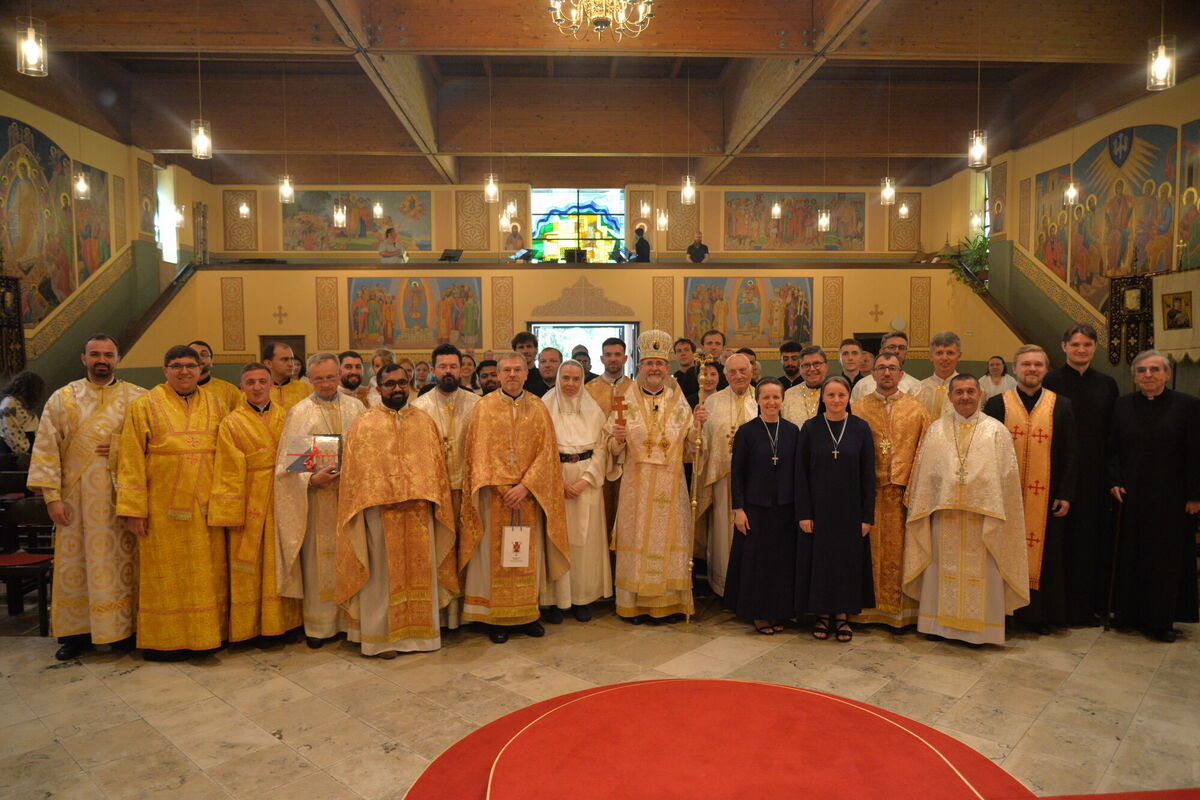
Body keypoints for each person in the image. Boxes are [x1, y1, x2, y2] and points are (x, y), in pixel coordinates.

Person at [28, 334, 145, 660]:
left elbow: (154, 444)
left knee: (122, 565)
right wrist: (52, 498)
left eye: (108, 354)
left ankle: (124, 631)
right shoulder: (62, 398)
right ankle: (75, 635)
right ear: (84, 358)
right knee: (76, 565)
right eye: (95, 354)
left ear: (117, 359)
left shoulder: (138, 398)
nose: (101, 360)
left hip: (122, 499)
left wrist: (120, 446)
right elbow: (46, 449)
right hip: (76, 501)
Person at [336, 363, 457, 657]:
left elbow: (436, 469)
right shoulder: (364, 424)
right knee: (381, 578)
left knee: (420, 571)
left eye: (402, 382)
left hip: (419, 511)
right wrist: (389, 495)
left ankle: (422, 637)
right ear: (379, 388)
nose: (397, 388)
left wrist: (417, 493)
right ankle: (381, 640)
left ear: (409, 384)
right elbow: (356, 474)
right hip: (380, 512)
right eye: (390, 384)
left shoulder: (424, 422)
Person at [116, 345, 227, 661]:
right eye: (176, 366)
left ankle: (208, 637)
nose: (184, 371)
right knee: (165, 577)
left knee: (207, 575)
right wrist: (133, 510)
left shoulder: (217, 404)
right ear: (165, 370)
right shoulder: (144, 405)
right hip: (161, 511)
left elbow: (230, 455)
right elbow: (130, 459)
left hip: (207, 508)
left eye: (190, 365)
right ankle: (164, 642)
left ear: (200, 369)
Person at [903, 374, 1029, 645]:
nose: (965, 397)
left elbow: (1006, 478)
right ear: (950, 397)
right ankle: (938, 627)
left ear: (980, 394)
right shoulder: (936, 430)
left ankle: (983, 632)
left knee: (983, 573)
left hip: (984, 519)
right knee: (941, 570)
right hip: (944, 516)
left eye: (970, 391)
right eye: (959, 392)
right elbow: (926, 477)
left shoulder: (996, 431)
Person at [459, 352, 569, 643]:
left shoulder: (538, 407)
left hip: (529, 496)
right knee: (494, 557)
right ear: (497, 374)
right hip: (493, 497)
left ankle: (527, 614)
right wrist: (502, 487)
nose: (511, 374)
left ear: (526, 373)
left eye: (517, 370)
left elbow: (547, 453)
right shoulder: (483, 408)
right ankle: (495, 617)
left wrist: (526, 486)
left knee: (524, 556)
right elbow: (477, 453)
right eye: (506, 370)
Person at [607, 329, 704, 623]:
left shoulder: (679, 402)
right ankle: (634, 606)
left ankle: (669, 604)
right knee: (636, 539)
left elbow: (691, 447)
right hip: (636, 486)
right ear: (639, 366)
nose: (654, 368)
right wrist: (618, 440)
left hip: (671, 485)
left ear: (667, 368)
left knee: (670, 539)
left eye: (659, 364)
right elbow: (610, 447)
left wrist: (698, 426)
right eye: (649, 363)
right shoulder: (624, 401)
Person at [274, 352, 367, 648]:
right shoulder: (300, 412)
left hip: (350, 498)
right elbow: (287, 467)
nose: (326, 384)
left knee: (353, 555)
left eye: (330, 377)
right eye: (319, 379)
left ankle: (352, 623)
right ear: (309, 379)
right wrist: (312, 479)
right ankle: (321, 626)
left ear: (338, 375)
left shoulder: (356, 406)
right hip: (318, 501)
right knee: (319, 563)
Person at [983, 345, 1078, 634]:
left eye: (1038, 364)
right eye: (1026, 364)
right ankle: (1002, 614)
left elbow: (1071, 453)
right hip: (1005, 498)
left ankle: (1038, 616)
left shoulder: (1061, 405)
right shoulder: (997, 404)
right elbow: (985, 453)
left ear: (1046, 369)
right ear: (1015, 369)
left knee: (1045, 555)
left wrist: (1065, 493)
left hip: (1046, 497)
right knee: (1002, 552)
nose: (1032, 369)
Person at [1107, 350, 1199, 642]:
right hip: (1131, 496)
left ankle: (1160, 621)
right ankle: (1127, 614)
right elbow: (1112, 449)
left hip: (1171, 499)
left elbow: (1196, 452)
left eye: (1155, 370)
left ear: (1167, 374)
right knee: (1131, 556)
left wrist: (1194, 495)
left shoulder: (1188, 406)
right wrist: (1114, 480)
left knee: (1164, 560)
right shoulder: (1122, 405)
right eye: (1142, 370)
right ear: (1134, 377)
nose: (1148, 375)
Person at [209, 362, 302, 644]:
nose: (257, 387)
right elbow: (227, 470)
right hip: (249, 501)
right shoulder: (231, 423)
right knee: (249, 565)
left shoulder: (288, 416)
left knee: (282, 560)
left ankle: (286, 624)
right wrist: (231, 512)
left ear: (272, 384)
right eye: (251, 382)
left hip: (283, 499)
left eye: (262, 381)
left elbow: (298, 459)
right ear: (242, 387)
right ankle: (249, 629)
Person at [1043, 323, 1119, 624]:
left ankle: (1089, 607)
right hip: (1059, 473)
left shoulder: (1107, 384)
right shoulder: (1050, 380)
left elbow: (1113, 435)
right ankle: (1058, 608)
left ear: (1094, 348)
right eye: (1075, 344)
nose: (1081, 350)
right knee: (1061, 541)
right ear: (1064, 347)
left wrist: (1112, 476)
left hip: (1095, 475)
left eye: (1087, 345)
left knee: (1091, 539)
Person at [851, 352, 931, 630]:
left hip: (901, 498)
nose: (887, 373)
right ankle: (864, 609)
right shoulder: (857, 408)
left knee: (900, 553)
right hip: (868, 497)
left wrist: (914, 493)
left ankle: (899, 614)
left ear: (900, 373)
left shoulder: (917, 410)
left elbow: (924, 454)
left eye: (892, 368)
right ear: (873, 373)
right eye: (882, 368)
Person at [795, 376, 875, 642]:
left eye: (841, 395)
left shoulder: (860, 427)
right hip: (818, 510)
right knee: (821, 563)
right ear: (823, 398)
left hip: (850, 511)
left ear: (848, 397)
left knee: (846, 564)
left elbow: (868, 475)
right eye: (831, 395)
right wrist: (804, 513)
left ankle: (842, 616)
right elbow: (800, 474)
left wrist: (867, 516)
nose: (836, 400)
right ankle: (821, 615)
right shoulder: (810, 427)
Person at [413, 343, 480, 629]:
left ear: (462, 369)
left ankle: (469, 611)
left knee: (469, 550)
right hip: (434, 495)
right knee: (439, 551)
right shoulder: (419, 407)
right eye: (443, 367)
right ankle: (442, 615)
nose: (448, 371)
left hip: (468, 492)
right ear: (433, 370)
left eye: (454, 366)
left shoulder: (476, 404)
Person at [727, 378, 799, 635]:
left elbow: (798, 472)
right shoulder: (747, 432)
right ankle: (758, 612)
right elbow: (737, 473)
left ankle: (779, 610)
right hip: (755, 508)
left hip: (785, 508)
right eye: (766, 397)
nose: (771, 402)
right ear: (757, 400)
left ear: (782, 400)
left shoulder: (792, 431)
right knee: (757, 563)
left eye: (775, 397)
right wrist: (739, 509)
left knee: (781, 562)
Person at [543, 359, 613, 621]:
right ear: (558, 379)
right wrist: (557, 482)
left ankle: (582, 598)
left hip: (587, 482)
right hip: (555, 480)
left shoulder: (593, 409)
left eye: (576, 379)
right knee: (556, 541)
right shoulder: (544, 406)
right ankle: (555, 600)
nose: (571, 384)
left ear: (582, 380)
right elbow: (539, 448)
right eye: (566, 378)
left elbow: (602, 448)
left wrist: (585, 480)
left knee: (585, 543)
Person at [694, 353, 756, 597]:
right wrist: (696, 429)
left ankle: (751, 588)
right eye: (732, 371)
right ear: (725, 375)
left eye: (743, 370)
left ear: (751, 371)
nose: (738, 376)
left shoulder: (761, 398)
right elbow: (701, 445)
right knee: (722, 535)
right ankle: (724, 588)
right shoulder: (712, 402)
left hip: (756, 483)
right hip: (722, 480)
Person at [585, 338, 634, 533]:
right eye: (608, 355)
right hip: (598, 460)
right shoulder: (588, 389)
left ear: (625, 358)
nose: (613, 359)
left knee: (626, 512)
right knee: (601, 513)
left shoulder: (635, 389)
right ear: (601, 358)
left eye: (617, 354)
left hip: (628, 460)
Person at [851, 332, 923, 402]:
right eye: (892, 347)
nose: (897, 351)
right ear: (881, 351)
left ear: (906, 353)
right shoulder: (862, 386)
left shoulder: (917, 386)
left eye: (901, 348)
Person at [918, 331, 963, 421]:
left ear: (959, 356)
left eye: (950, 353)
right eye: (939, 353)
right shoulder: (918, 389)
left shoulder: (969, 389)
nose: (944, 358)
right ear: (930, 356)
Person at [0, 370, 44, 458]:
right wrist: (26, 451)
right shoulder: (10, 403)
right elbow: (10, 432)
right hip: (17, 453)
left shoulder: (22, 403)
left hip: (30, 449)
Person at [189, 339, 240, 414]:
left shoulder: (230, 391)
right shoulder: (175, 391)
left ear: (212, 361)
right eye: (193, 354)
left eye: (203, 354)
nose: (198, 358)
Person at [781, 345, 828, 424]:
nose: (812, 369)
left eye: (816, 364)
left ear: (826, 366)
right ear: (800, 369)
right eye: (806, 365)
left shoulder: (837, 392)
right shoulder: (789, 395)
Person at [262, 341, 309, 411]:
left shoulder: (307, 390)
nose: (291, 364)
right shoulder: (257, 391)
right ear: (268, 363)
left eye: (292, 359)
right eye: (284, 359)